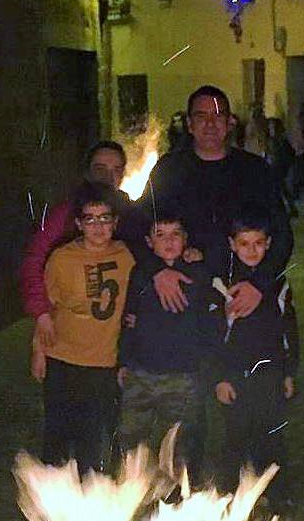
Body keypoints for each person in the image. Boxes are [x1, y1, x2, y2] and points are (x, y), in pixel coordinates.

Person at [140, 85, 292, 327]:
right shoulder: (169, 170)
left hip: (243, 291)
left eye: (218, 115)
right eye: (202, 116)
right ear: (189, 124)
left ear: (230, 122)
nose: (210, 124)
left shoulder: (255, 171)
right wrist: (157, 271)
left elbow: (282, 232)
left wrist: (259, 283)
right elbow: (139, 224)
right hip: (185, 292)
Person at [34, 182, 135, 473]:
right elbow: (46, 311)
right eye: (90, 219)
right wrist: (38, 351)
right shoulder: (62, 258)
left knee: (95, 440)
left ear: (115, 222)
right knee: (57, 438)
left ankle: (91, 505)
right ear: (78, 223)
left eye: (105, 218)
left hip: (104, 363)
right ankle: (53, 507)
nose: (98, 227)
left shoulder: (126, 257)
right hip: (63, 359)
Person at [116, 210, 221, 466]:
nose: (169, 241)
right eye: (160, 235)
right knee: (132, 437)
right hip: (143, 371)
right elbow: (129, 319)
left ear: (186, 239)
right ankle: (133, 489)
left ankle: (181, 494)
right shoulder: (141, 274)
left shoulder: (198, 274)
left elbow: (210, 320)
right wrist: (124, 361)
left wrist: (205, 363)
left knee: (181, 440)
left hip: (183, 374)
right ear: (149, 242)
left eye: (175, 234)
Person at [212, 214, 299, 500]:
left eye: (259, 243)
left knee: (271, 435)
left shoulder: (276, 284)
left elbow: (288, 330)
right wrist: (220, 377)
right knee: (235, 437)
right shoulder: (222, 285)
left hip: (269, 373)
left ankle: (276, 495)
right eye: (244, 243)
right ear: (232, 245)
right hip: (236, 375)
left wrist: (288, 372)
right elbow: (214, 338)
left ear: (269, 244)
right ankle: (229, 496)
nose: (252, 250)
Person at [21, 141, 129, 347]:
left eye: (116, 170)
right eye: (100, 169)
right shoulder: (65, 214)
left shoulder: (131, 213)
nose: (108, 177)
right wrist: (41, 314)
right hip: (67, 333)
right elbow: (34, 260)